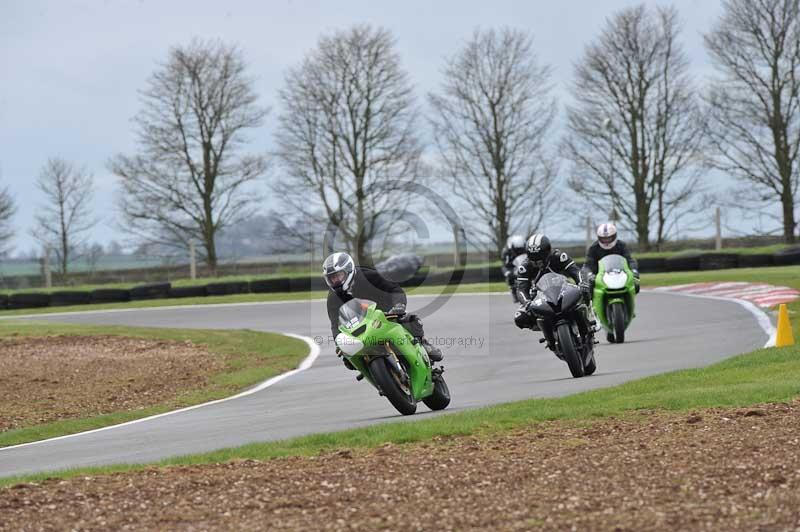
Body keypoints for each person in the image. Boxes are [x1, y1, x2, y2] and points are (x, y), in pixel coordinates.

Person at [323, 252, 443, 370]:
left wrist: (399, 305)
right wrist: (338, 341)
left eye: (338, 275)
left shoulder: (368, 275)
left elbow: (394, 289)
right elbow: (335, 324)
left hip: (387, 312)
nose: (335, 281)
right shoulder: (333, 298)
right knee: (348, 359)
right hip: (359, 325)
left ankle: (423, 343)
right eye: (332, 278)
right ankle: (376, 377)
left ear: (348, 270)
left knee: (410, 320)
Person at [512, 234, 588, 331]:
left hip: (563, 290)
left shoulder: (559, 257)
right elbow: (521, 288)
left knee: (584, 290)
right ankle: (545, 328)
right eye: (532, 258)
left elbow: (575, 271)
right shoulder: (524, 267)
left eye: (539, 257)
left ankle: (589, 318)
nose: (536, 262)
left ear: (547, 252)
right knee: (520, 318)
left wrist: (581, 283)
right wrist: (527, 302)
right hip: (541, 295)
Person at [581, 222, 640, 294]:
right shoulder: (594, 248)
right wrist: (589, 275)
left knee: (635, 284)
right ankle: (591, 304)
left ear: (614, 236)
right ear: (599, 238)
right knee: (589, 289)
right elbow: (588, 264)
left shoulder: (621, 245)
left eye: (609, 238)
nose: (606, 241)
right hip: (599, 278)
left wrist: (634, 271)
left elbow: (629, 260)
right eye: (604, 239)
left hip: (619, 276)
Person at [500, 234, 527, 303]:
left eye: (521, 249)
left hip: (524, 264)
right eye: (518, 250)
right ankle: (513, 290)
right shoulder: (506, 252)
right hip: (512, 266)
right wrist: (508, 272)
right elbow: (505, 265)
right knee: (509, 275)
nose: (519, 252)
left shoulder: (526, 249)